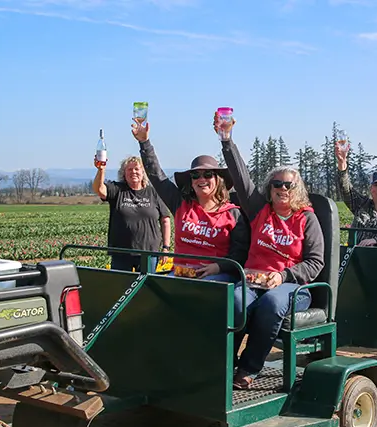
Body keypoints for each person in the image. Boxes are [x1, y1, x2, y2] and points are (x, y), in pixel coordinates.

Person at [215, 113, 325, 389]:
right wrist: (226, 140)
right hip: (253, 280)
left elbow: (315, 262)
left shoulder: (307, 219)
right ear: (269, 188)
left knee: (272, 304)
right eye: (277, 184)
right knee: (236, 303)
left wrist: (284, 276)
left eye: (289, 185)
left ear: (297, 189)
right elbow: (240, 178)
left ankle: (249, 368)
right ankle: (223, 364)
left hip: (292, 288)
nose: (282, 189)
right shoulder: (259, 211)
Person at [132, 120, 248, 281]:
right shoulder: (181, 205)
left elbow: (240, 253)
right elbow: (157, 177)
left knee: (201, 290)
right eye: (196, 175)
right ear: (191, 182)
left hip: (216, 275)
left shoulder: (233, 214)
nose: (202, 179)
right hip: (182, 274)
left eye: (208, 175)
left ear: (218, 180)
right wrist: (144, 142)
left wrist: (218, 267)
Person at [92, 154, 171, 272]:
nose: (133, 172)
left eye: (137, 169)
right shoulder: (118, 190)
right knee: (121, 287)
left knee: (146, 288)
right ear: (124, 173)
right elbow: (99, 190)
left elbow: (165, 220)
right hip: (121, 253)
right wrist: (101, 169)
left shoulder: (154, 193)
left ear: (143, 172)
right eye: (129, 169)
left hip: (148, 253)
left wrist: (166, 247)